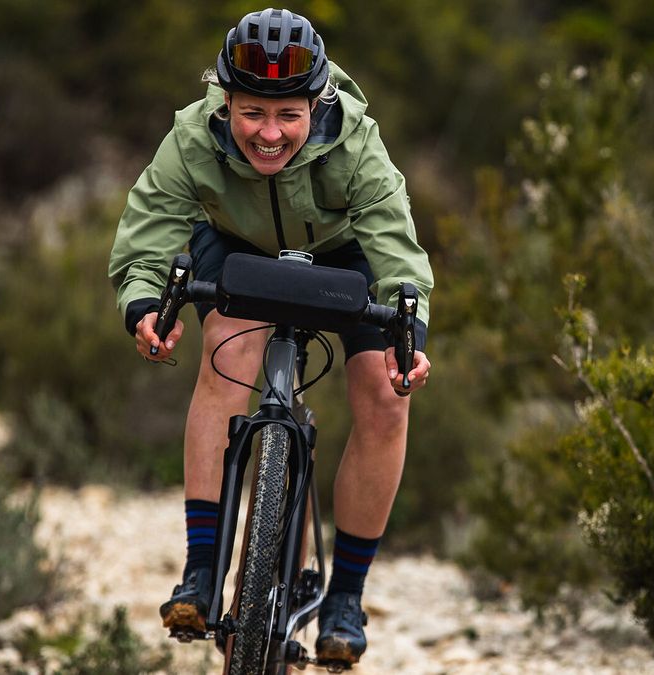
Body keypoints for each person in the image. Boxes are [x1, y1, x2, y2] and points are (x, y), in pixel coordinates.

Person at [107, 8, 433, 666]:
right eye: (253, 112)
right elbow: (152, 222)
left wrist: (409, 328)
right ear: (226, 101)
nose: (270, 133)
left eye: (289, 116)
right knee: (228, 355)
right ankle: (202, 571)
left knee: (384, 395)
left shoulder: (355, 141)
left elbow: (394, 242)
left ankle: (344, 596)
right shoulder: (193, 136)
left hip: (345, 257)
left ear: (318, 102)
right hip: (238, 247)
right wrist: (145, 304)